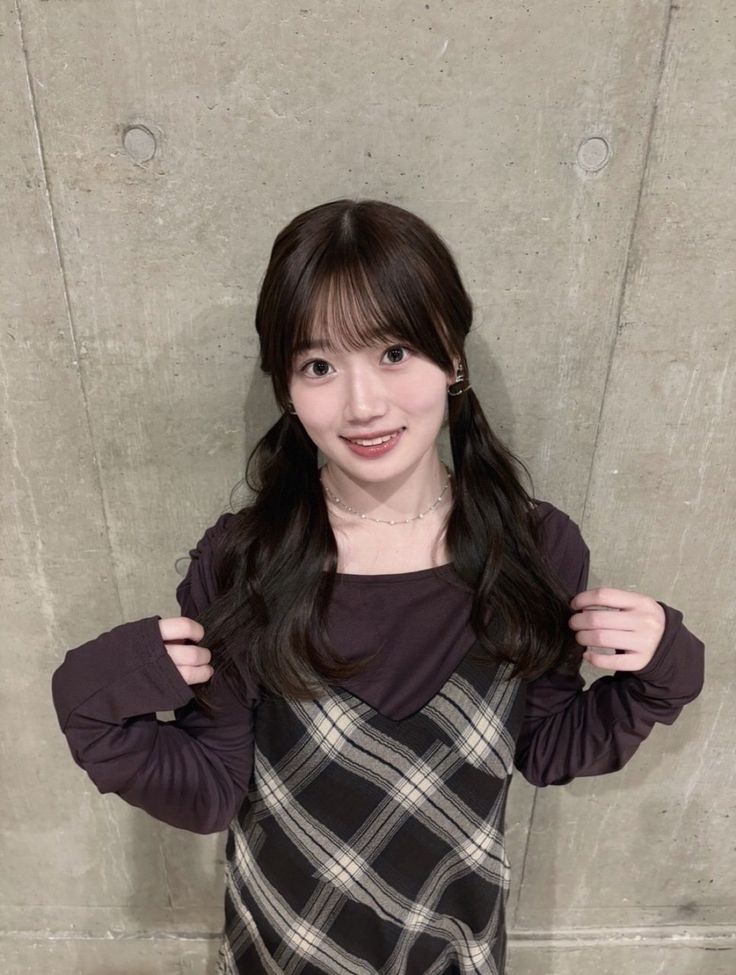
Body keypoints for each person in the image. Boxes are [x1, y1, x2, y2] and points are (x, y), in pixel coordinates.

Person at [51, 198, 705, 975]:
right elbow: (214, 789)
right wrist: (92, 710)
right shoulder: (244, 562)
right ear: (286, 387)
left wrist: (667, 668)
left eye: (394, 351)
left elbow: (545, 746)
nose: (363, 405)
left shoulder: (533, 550)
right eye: (319, 366)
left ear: (452, 357)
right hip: (279, 956)